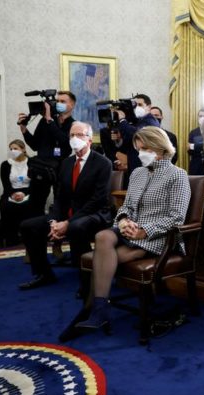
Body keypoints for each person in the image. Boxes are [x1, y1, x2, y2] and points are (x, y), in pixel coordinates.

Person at [75, 126, 191, 331]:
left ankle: (94, 308)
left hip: (159, 237)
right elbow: (126, 206)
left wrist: (144, 231)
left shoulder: (178, 175)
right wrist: (123, 221)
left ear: (160, 148)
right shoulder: (137, 173)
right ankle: (99, 309)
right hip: (129, 230)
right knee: (102, 236)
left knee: (102, 258)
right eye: (138, 149)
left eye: (145, 148)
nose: (140, 154)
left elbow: (177, 218)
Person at [18, 122, 113, 290]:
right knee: (27, 226)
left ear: (89, 139)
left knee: (76, 227)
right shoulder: (66, 163)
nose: (74, 139)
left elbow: (98, 200)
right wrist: (54, 219)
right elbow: (60, 196)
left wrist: (68, 223)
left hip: (95, 214)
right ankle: (44, 274)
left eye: (79, 135)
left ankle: (87, 284)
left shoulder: (103, 163)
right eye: (71, 135)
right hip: (68, 214)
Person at [17, 90, 76, 212]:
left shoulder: (74, 124)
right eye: (57, 101)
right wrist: (24, 129)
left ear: (72, 105)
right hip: (41, 168)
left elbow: (65, 142)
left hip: (60, 169)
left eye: (62, 101)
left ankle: (56, 229)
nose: (58, 103)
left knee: (60, 204)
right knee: (36, 203)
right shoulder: (45, 121)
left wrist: (49, 120)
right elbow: (34, 145)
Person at [0, 140, 43, 246]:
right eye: (11, 149)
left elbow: (35, 184)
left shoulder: (32, 163)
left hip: (29, 191)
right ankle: (11, 238)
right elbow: (6, 185)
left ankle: (31, 236)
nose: (13, 151)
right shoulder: (5, 165)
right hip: (11, 192)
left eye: (15, 148)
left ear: (23, 149)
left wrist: (24, 194)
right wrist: (12, 195)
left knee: (32, 204)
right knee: (6, 205)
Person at [116, 93, 160, 185]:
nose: (137, 108)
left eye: (140, 105)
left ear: (148, 107)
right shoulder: (137, 121)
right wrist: (119, 138)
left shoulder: (150, 120)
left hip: (145, 168)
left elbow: (137, 134)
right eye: (135, 105)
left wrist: (122, 120)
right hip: (135, 166)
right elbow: (129, 143)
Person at [187, 109, 204, 176]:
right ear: (197, 117)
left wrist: (193, 146)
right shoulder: (193, 132)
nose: (202, 118)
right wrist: (201, 147)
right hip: (195, 164)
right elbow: (189, 151)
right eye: (200, 116)